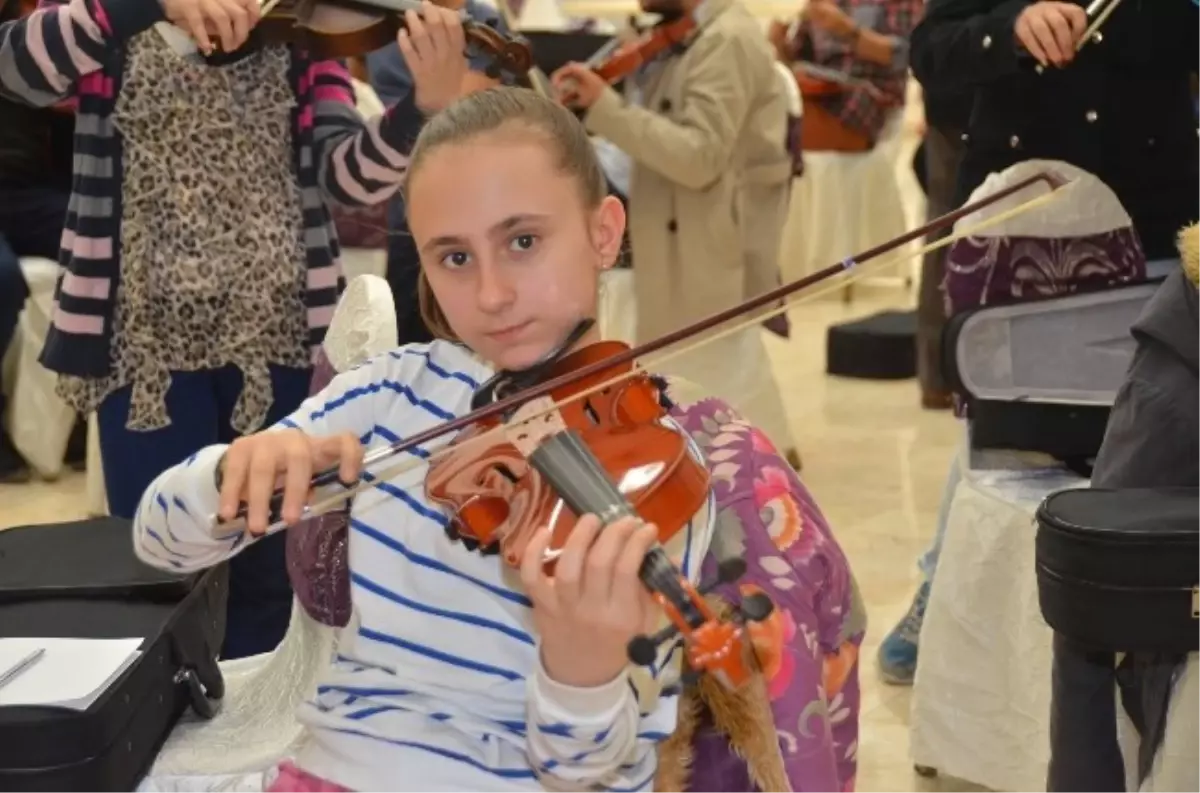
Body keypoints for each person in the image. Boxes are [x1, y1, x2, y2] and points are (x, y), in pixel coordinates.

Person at [130, 86, 714, 792]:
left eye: (522, 241)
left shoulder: (648, 473)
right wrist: (232, 474)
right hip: (333, 770)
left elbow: (584, 772)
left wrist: (580, 673)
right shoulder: (391, 393)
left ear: (603, 231)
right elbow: (157, 542)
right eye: (454, 258)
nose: (492, 294)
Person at [0, 0, 469, 659]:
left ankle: (253, 732)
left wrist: (421, 107)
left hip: (275, 335)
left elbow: (350, 178)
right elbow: (17, 68)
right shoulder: (112, 25)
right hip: (146, 349)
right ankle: (165, 727)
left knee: (271, 567)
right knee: (159, 566)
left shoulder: (300, 38)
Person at [878, 0, 1200, 688]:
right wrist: (1010, 28)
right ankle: (946, 579)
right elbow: (933, 52)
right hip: (1018, 226)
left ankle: (1138, 596)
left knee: (1154, 420)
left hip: (1156, 219)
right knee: (1002, 424)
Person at [548, 0, 801, 467]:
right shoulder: (690, 33)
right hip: (680, 232)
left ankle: (749, 474)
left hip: (708, 242)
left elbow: (697, 157)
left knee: (713, 381)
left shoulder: (726, 40)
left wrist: (606, 106)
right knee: (715, 374)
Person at [365, 0, 511, 346]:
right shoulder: (384, 16)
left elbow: (474, 107)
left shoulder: (485, 19)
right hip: (408, 209)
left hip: (476, 201)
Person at [0, 0, 73, 482]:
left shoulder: (64, 19)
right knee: (4, 280)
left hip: (34, 191)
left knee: (121, 243)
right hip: (17, 190)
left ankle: (86, 419)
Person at [769, 0, 922, 148]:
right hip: (820, 88)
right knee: (771, 97)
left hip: (869, 96)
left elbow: (906, 54)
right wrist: (779, 44)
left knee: (776, 123)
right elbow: (796, 59)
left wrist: (848, 31)